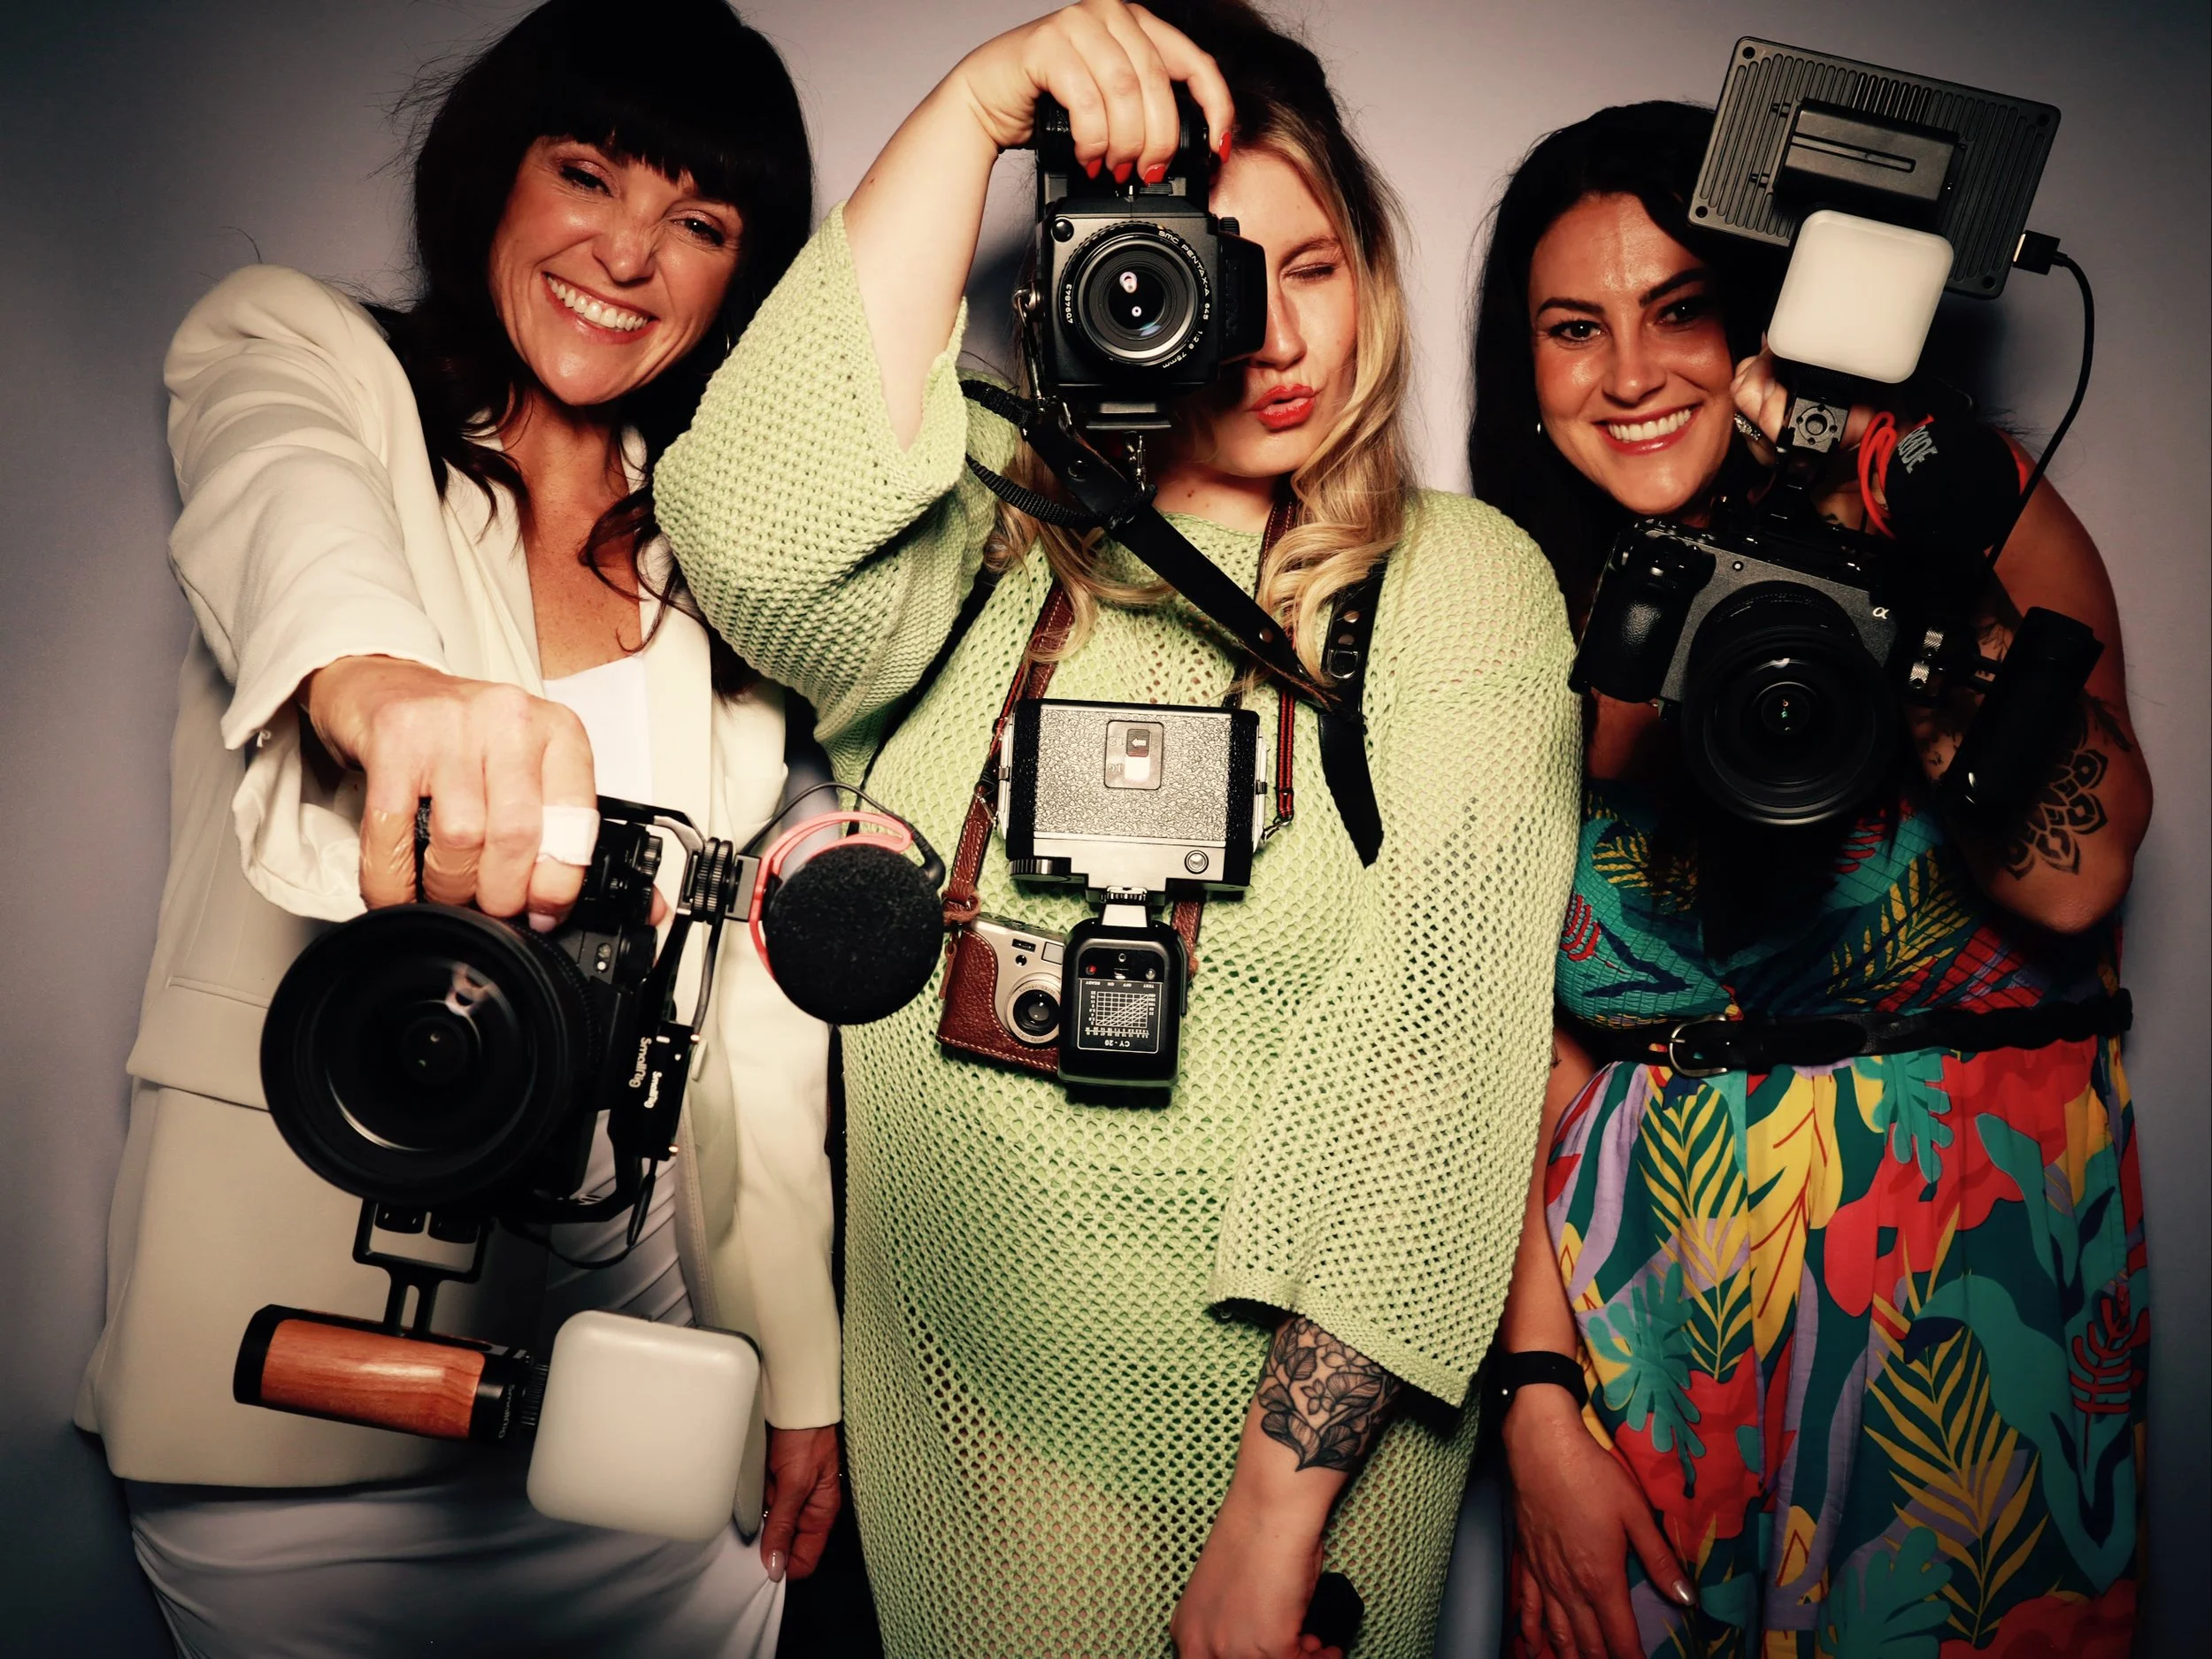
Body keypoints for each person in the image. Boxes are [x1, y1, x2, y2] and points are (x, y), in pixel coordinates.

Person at [651, 4, 1579, 1654]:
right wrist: (976, 106)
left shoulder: (1454, 581)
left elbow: (1428, 1061)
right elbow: (750, 531)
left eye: (1314, 266)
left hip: (1298, 1449)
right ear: (1104, 280)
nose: (1280, 335)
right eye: (1216, 276)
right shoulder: (991, 526)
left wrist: (1273, 1518)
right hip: (968, 1425)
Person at [73, 4, 841, 1655]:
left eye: (699, 224)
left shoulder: (719, 575)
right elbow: (286, 496)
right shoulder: (306, 357)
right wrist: (383, 691)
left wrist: (796, 1369)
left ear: (737, 287)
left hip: (639, 1406)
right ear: (495, 174)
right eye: (588, 174)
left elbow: (741, 1044)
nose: (626, 254)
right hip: (291, 1398)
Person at [1470, 103, 2152, 1659]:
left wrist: (1862, 528)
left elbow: (2077, 879)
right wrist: (1537, 1398)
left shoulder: (1982, 520)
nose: (1631, 374)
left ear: (1766, 313)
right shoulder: (1527, 612)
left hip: (1978, 1281)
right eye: (1575, 330)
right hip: (1655, 1293)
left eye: (1681, 309)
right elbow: (1514, 1041)